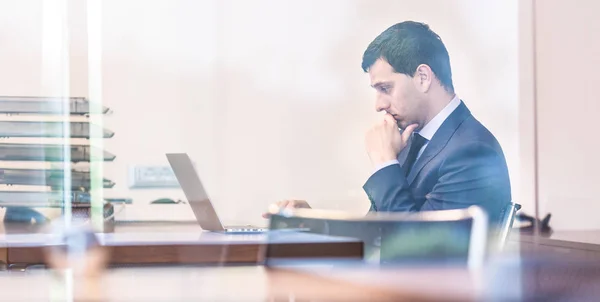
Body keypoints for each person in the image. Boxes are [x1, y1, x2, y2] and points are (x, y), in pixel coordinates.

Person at [263, 21, 511, 225]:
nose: (378, 105)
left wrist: (384, 164)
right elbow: (377, 237)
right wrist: (311, 223)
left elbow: (421, 254)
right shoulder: (413, 140)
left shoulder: (471, 151)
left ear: (423, 77)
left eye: (385, 88)